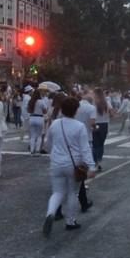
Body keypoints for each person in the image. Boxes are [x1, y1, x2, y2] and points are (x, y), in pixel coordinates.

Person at [42, 97, 96, 236]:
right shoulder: (79, 126)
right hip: (74, 164)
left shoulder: (55, 124)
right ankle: (70, 221)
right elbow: (85, 149)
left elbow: (47, 143)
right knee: (73, 193)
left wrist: (52, 153)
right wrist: (91, 166)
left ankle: (50, 213)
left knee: (57, 192)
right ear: (76, 110)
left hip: (56, 163)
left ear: (61, 109)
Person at [92, 87, 110, 171]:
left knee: (95, 144)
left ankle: (95, 162)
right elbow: (112, 112)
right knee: (101, 144)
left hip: (96, 124)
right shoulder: (106, 102)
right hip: (104, 125)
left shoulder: (93, 103)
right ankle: (99, 161)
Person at [27, 89, 48, 155]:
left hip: (32, 117)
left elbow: (28, 110)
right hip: (39, 118)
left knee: (32, 135)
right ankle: (37, 150)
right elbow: (45, 111)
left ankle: (32, 150)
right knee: (39, 135)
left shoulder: (30, 101)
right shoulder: (41, 101)